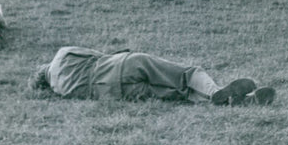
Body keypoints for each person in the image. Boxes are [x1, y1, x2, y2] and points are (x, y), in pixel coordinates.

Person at [29, 46, 275, 106]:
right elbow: (97, 54)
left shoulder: (60, 90)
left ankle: (238, 102)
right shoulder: (62, 54)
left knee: (179, 94)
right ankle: (215, 92)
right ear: (44, 67)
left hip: (115, 93)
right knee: (188, 73)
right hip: (124, 66)